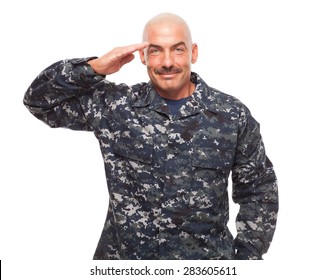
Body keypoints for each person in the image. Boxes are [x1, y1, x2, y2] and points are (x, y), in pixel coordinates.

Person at [23, 12, 278, 260]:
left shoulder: (231, 115)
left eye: (178, 49)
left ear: (194, 53)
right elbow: (39, 102)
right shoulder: (115, 106)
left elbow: (259, 188)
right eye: (155, 50)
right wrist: (95, 67)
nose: (167, 62)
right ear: (143, 56)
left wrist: (247, 260)